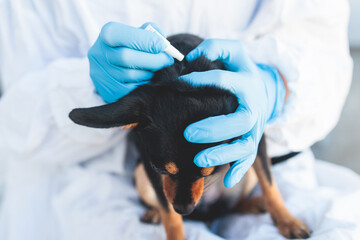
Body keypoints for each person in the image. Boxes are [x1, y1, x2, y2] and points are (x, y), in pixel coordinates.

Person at [0, 1, 356, 240]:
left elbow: (325, 53)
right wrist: (90, 88)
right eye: (166, 171)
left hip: (251, 174)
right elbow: (15, 123)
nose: (184, 201)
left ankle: (255, 199)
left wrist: (276, 86)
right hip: (90, 194)